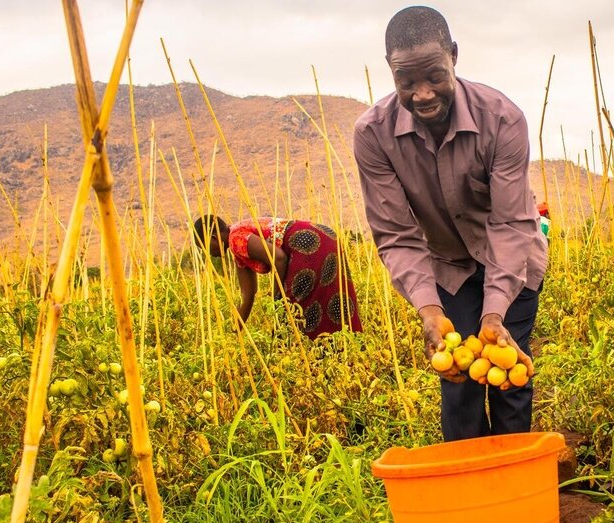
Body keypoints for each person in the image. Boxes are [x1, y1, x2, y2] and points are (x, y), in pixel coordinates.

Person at [353, 6, 547, 441]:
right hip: (449, 267)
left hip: (512, 260)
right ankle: (468, 495)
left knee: (506, 376)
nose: (422, 94)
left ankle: (513, 486)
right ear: (391, 71)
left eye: (434, 76)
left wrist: (495, 311)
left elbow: (511, 223)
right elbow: (396, 234)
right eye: (407, 82)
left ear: (454, 56)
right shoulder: (373, 135)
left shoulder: (501, 119)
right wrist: (429, 309)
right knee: (457, 381)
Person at [192, 215, 363, 339]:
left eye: (204, 248)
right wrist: (233, 335)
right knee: (329, 297)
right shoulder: (238, 245)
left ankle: (319, 362)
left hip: (307, 244)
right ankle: (347, 352)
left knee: (293, 317)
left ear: (213, 238)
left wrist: (278, 299)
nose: (209, 255)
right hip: (325, 236)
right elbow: (248, 295)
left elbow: (278, 258)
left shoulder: (236, 238)